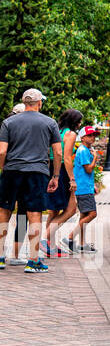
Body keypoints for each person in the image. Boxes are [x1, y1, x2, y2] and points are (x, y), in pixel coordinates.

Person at [0, 89, 63, 273]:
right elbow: (57, 152)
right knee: (34, 214)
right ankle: (33, 261)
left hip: (12, 171)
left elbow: (2, 151)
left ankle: (0, 257)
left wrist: (4, 170)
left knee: (4, 212)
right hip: (37, 173)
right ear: (39, 103)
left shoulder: (8, 122)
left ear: (24, 102)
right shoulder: (50, 123)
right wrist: (56, 176)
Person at [46, 109, 85, 254]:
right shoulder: (71, 134)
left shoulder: (57, 131)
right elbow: (67, 158)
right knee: (71, 209)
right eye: (79, 121)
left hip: (51, 168)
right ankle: (45, 240)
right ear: (74, 121)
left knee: (53, 210)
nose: (80, 124)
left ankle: (50, 246)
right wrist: (72, 179)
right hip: (62, 171)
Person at [60, 126, 100, 253]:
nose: (93, 137)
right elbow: (88, 169)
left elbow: (85, 172)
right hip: (83, 189)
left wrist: (92, 185)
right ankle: (69, 237)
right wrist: (95, 158)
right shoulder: (83, 150)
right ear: (82, 138)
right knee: (93, 214)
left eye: (94, 135)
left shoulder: (86, 150)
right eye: (90, 135)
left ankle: (82, 244)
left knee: (84, 215)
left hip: (85, 187)